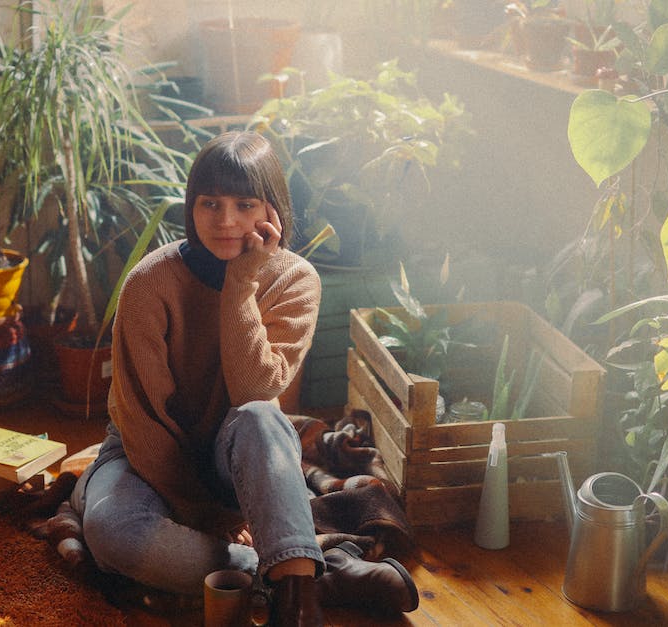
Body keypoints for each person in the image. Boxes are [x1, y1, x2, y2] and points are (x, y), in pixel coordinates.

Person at [68, 131, 418, 625]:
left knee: (259, 417)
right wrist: (202, 514)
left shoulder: (295, 281)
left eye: (244, 203)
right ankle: (309, 575)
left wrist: (241, 284)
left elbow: (255, 392)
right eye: (210, 203)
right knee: (111, 533)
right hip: (146, 458)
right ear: (191, 207)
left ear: (271, 210)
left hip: (240, 454)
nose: (226, 220)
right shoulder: (150, 282)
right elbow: (143, 420)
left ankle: (295, 610)